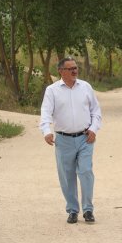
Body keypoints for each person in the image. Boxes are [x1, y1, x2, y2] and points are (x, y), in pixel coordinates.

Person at [40, 57, 102, 224]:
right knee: (67, 176)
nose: (75, 71)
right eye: (70, 68)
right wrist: (47, 131)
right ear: (61, 71)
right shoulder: (52, 90)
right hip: (63, 140)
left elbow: (96, 111)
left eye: (76, 67)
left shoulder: (86, 87)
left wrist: (94, 129)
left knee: (86, 172)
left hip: (85, 138)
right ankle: (73, 210)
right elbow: (45, 113)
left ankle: (88, 209)